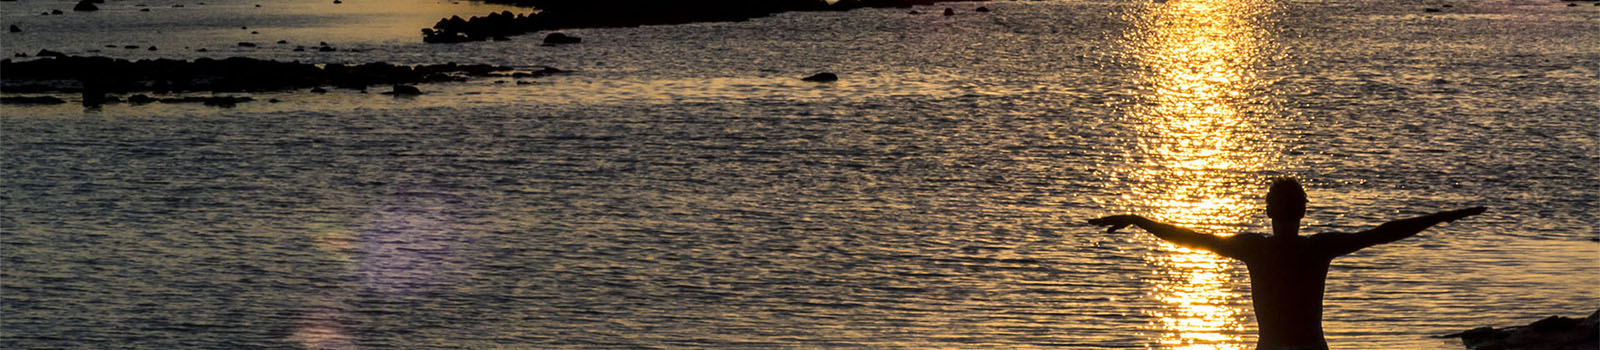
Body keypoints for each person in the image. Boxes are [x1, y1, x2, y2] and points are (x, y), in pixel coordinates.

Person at [1088, 178, 1486, 350]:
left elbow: (1192, 238)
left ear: (1267, 211)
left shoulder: (1254, 249)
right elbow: (1385, 231)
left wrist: (1139, 220)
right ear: (1304, 211)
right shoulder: (1319, 248)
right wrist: (1443, 216)